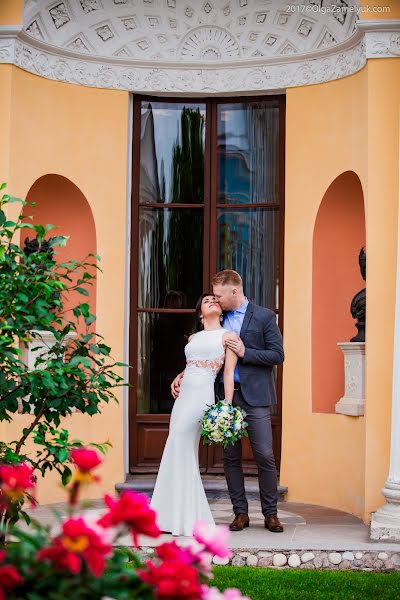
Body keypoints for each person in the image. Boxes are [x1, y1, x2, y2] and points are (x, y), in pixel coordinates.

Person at [150, 293, 239, 536]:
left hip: (202, 396)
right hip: (184, 396)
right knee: (177, 447)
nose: (211, 301)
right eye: (206, 301)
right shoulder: (193, 337)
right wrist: (179, 377)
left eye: (214, 300)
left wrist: (226, 406)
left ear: (220, 311)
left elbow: (228, 372)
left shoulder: (228, 336)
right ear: (200, 313)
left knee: (180, 443)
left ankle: (186, 517)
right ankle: (170, 516)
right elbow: (192, 364)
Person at [212, 269, 285, 533]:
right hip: (225, 396)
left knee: (264, 455)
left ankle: (271, 514)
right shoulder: (217, 318)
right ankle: (240, 513)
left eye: (220, 295)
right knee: (230, 458)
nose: (216, 300)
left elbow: (277, 355)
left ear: (234, 291)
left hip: (256, 397)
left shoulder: (265, 316)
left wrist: (246, 352)